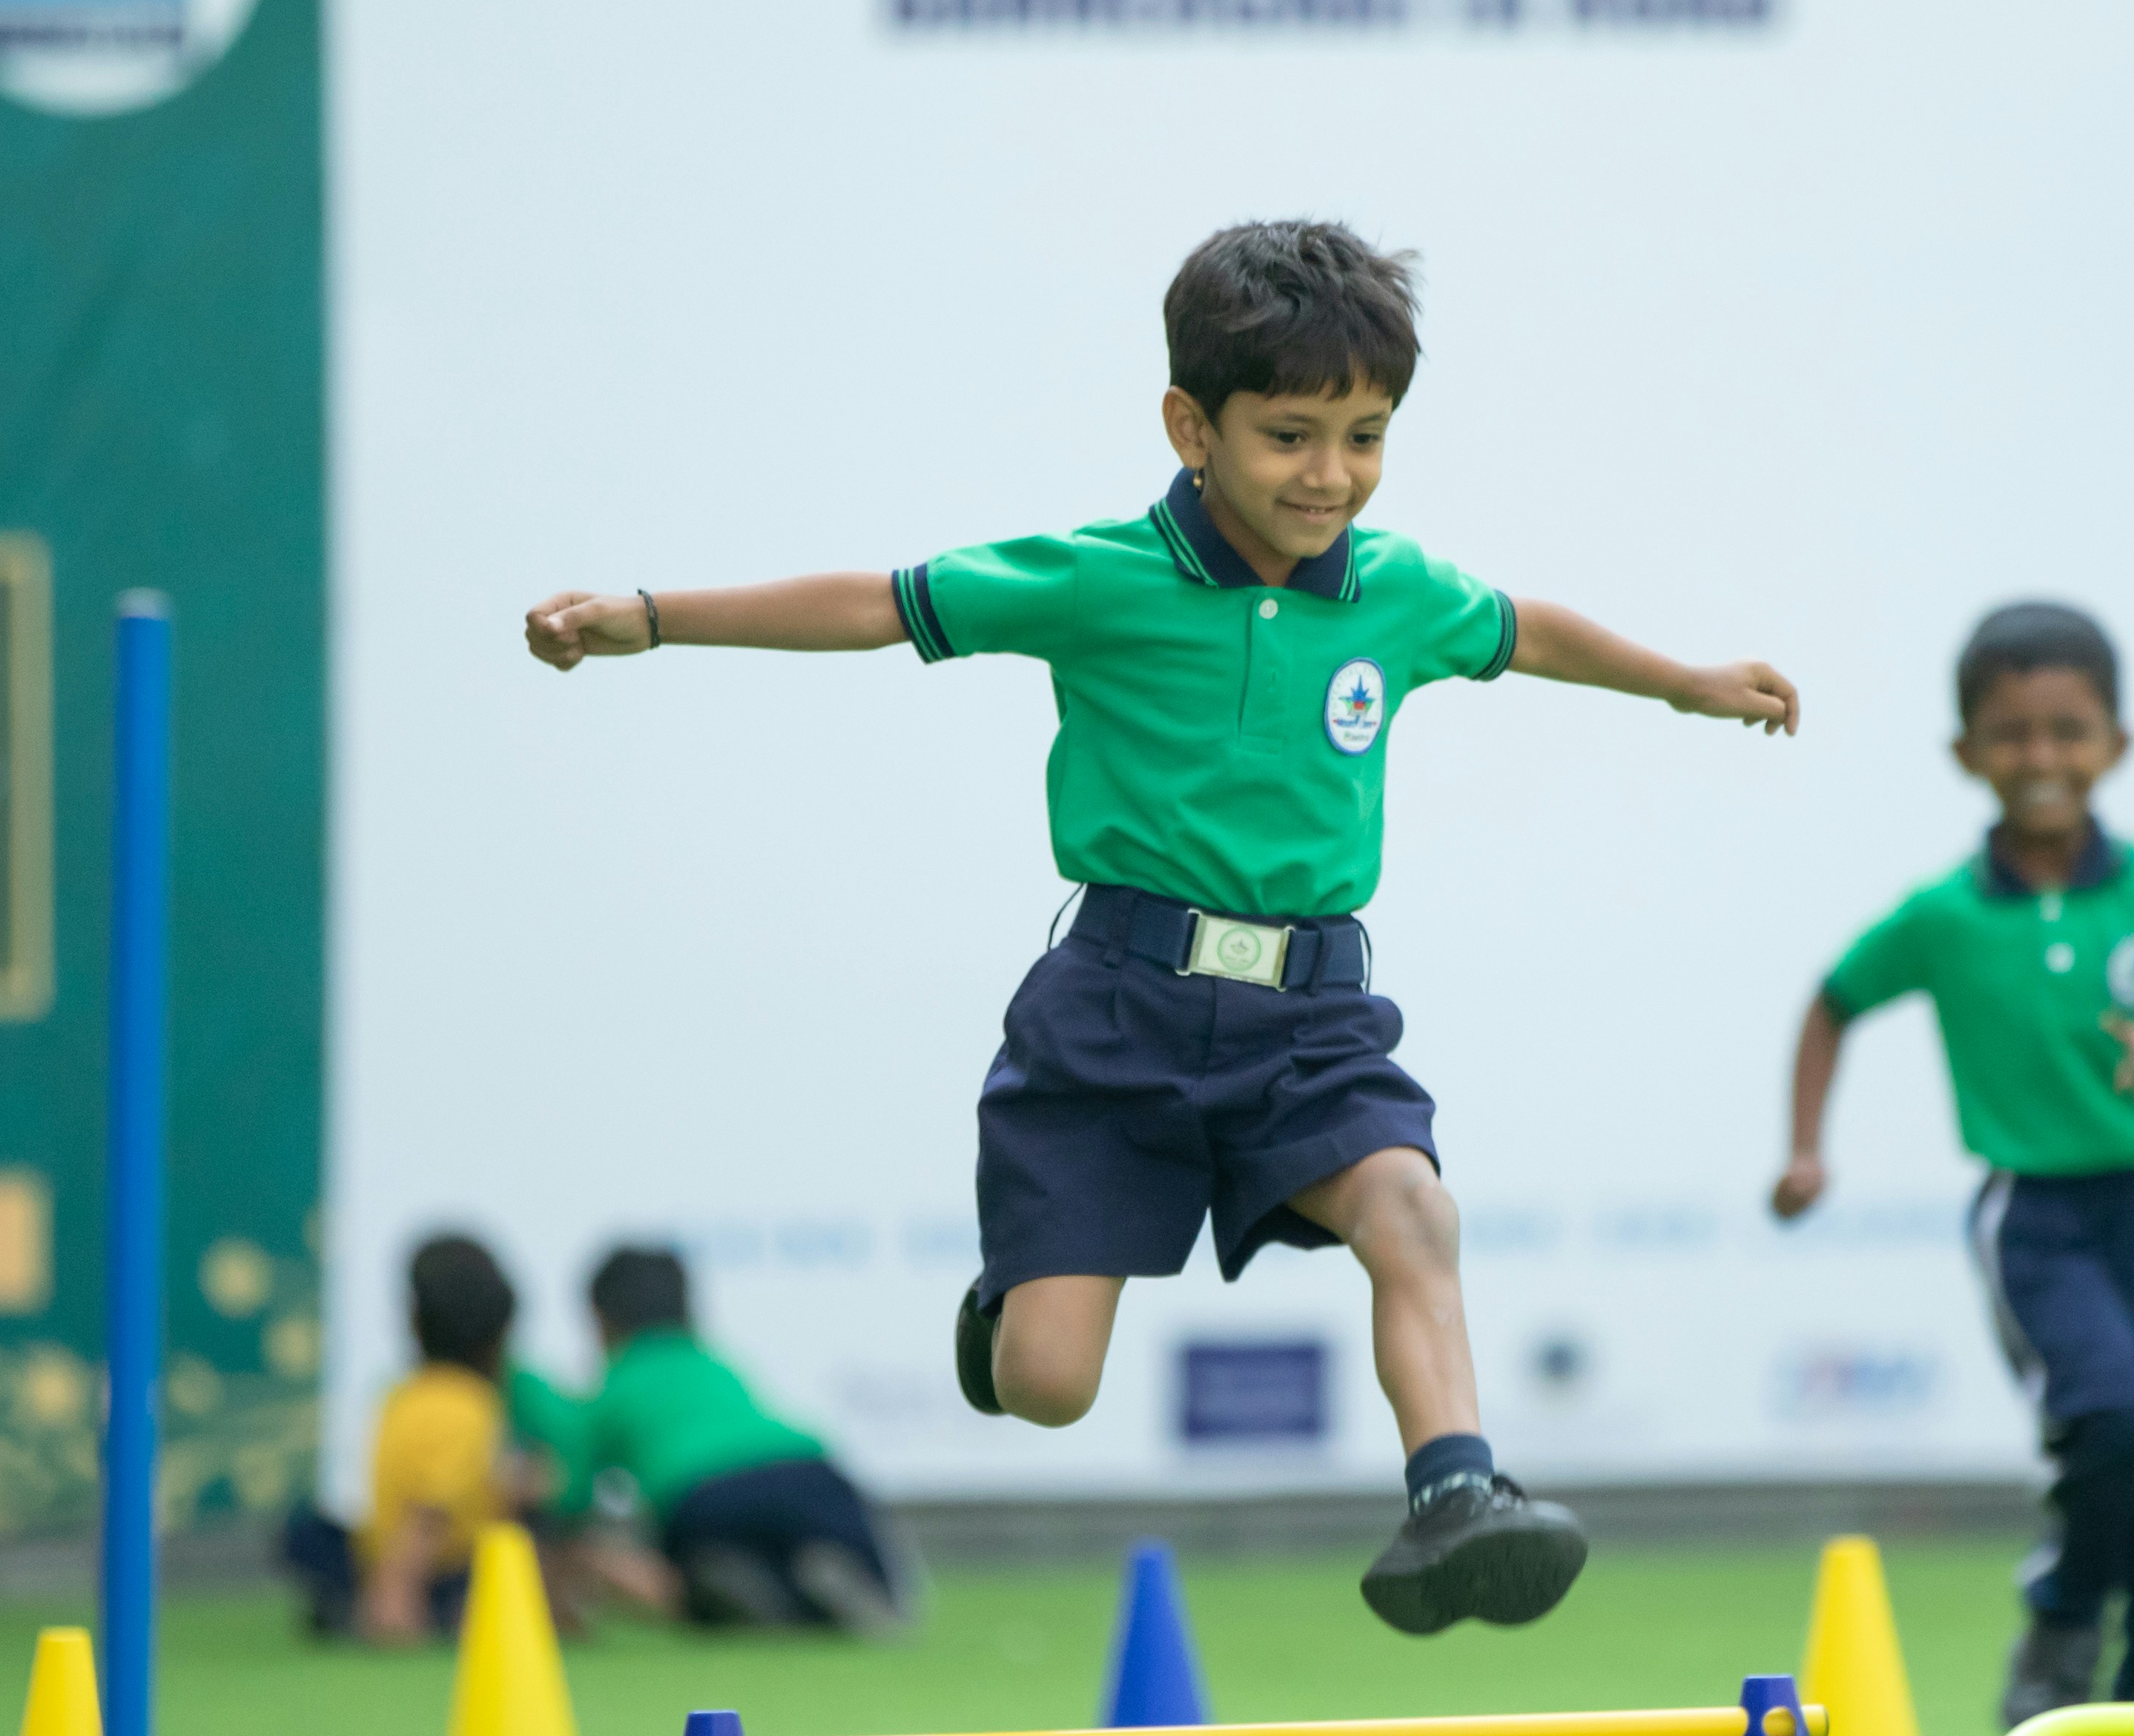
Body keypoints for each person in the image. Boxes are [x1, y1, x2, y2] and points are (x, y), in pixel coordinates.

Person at [521, 219, 1798, 1634]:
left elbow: (1534, 634)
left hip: (1313, 1013)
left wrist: (1685, 681)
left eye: (1366, 437)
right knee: (1048, 1387)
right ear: (1194, 425)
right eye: (1292, 436)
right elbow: (880, 606)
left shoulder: (1400, 595)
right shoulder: (1100, 578)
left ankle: (1456, 1497)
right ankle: (1005, 1307)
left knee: (1412, 1209)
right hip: (1117, 1009)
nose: (1331, 476)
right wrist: (650, 616)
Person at [1769, 603, 2134, 1736]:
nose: (2042, 758)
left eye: (2068, 732)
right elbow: (1834, 1000)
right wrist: (1806, 1150)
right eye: (2013, 735)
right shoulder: (1945, 916)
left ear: (2116, 746)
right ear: (1967, 754)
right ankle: (2065, 1606)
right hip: (2033, 1217)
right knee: (2116, 1419)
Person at [296, 1234, 678, 1647]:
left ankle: (352, 1600)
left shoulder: (399, 1396)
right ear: (500, 1336)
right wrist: (397, 1593)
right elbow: (429, 1510)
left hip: (371, 1552)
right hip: (444, 1573)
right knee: (543, 1544)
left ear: (413, 1321)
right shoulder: (474, 1408)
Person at [533, 1242, 916, 1635]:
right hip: (809, 1468)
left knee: (690, 1573)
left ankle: (734, 1594)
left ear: (600, 1320)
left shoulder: (610, 1387)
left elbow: (572, 1496)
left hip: (700, 1492)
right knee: (844, 1558)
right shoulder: (718, 1362)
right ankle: (878, 1589)